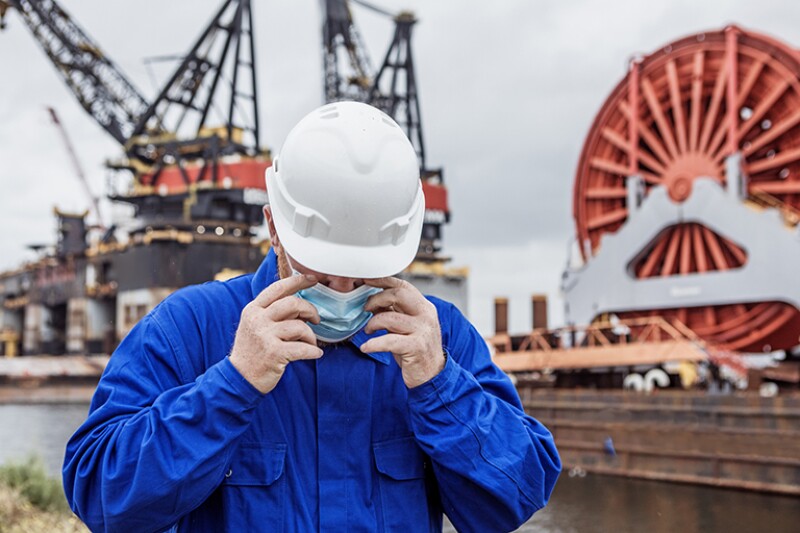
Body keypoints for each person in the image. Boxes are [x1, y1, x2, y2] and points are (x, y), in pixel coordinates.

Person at [63, 102, 561, 532]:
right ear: (274, 227)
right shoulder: (191, 328)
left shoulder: (438, 334)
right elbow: (102, 500)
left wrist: (440, 386)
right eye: (321, 269)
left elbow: (516, 497)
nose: (343, 290)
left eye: (366, 271)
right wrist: (230, 387)